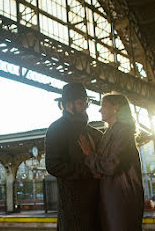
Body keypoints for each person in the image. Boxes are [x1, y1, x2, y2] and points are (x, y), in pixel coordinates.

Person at [78, 93, 144, 231]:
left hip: (121, 197)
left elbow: (111, 165)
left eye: (103, 106)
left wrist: (89, 154)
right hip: (113, 196)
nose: (100, 110)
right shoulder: (111, 132)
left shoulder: (123, 132)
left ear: (116, 108)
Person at [45, 82, 103, 231]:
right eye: (81, 102)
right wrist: (88, 172)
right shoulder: (56, 129)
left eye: (86, 102)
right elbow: (53, 165)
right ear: (69, 105)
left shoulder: (94, 133)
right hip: (73, 207)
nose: (85, 106)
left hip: (97, 203)